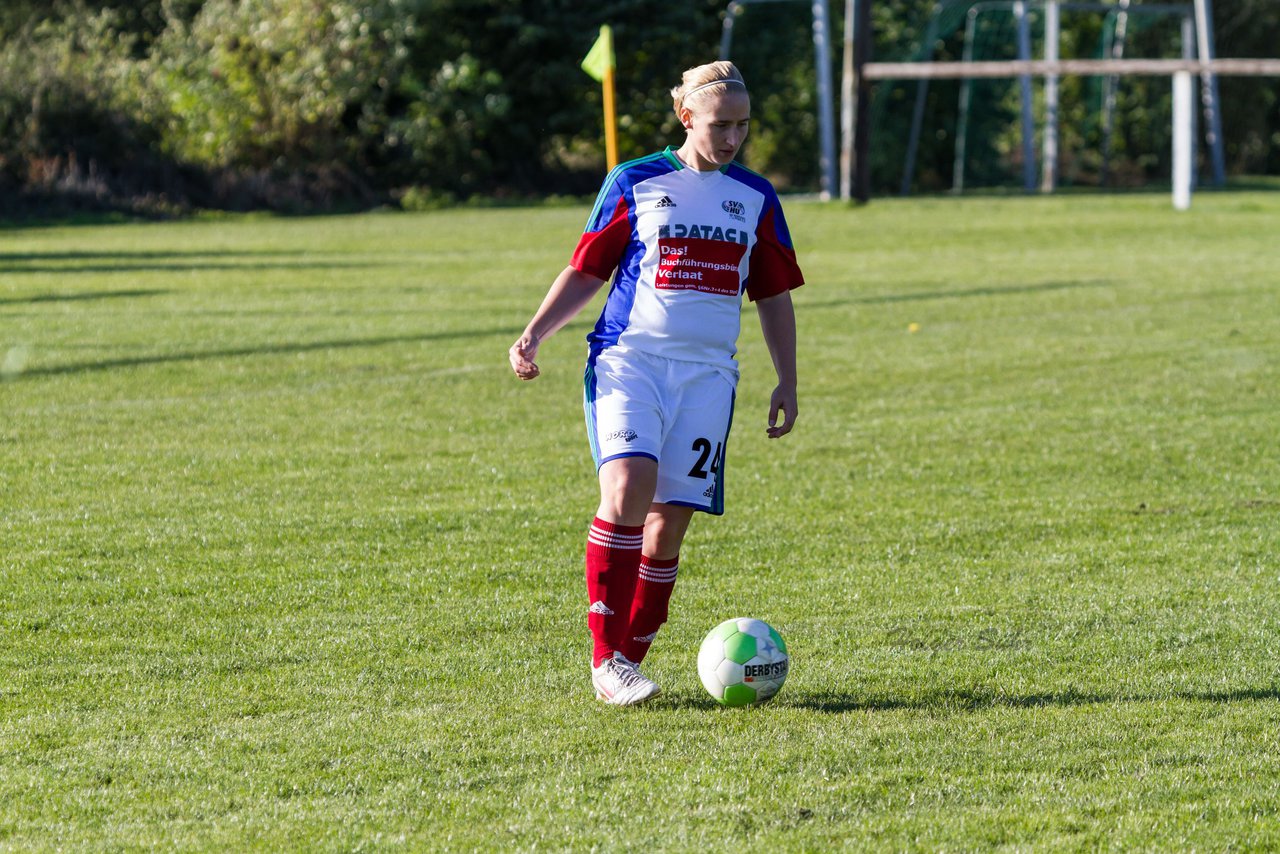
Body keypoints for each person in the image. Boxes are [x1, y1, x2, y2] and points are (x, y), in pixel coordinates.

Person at [508, 60, 804, 706]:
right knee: (627, 485)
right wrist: (534, 332)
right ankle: (604, 661)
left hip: (708, 378)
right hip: (629, 361)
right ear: (686, 115)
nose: (731, 138)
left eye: (742, 126)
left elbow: (774, 293)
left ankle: (630, 658)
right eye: (720, 124)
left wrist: (787, 378)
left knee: (668, 526)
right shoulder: (636, 180)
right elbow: (587, 269)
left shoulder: (754, 197)